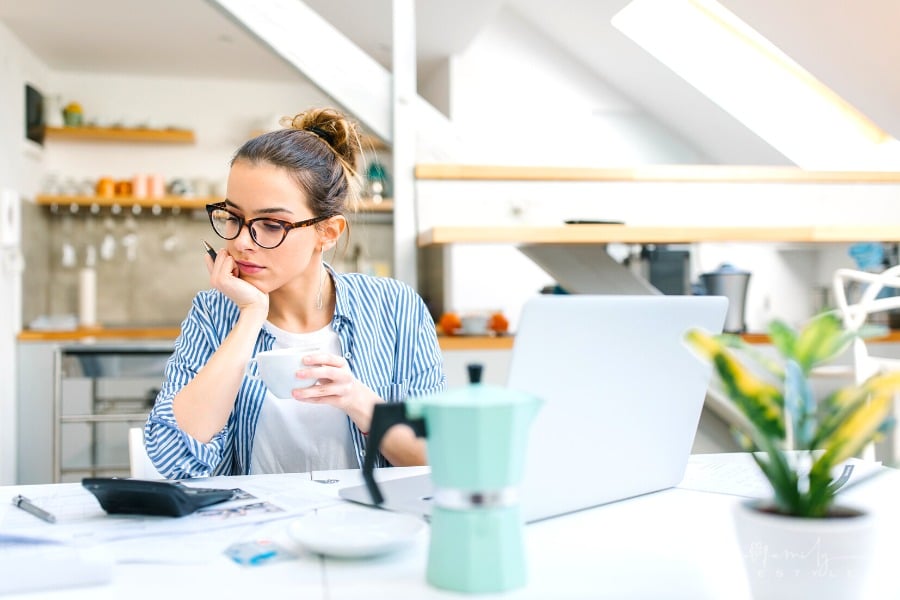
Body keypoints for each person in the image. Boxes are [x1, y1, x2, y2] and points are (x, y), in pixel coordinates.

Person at [145, 107, 446, 479]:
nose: (241, 242)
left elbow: (436, 460)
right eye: (233, 217)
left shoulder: (395, 307)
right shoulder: (214, 312)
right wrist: (251, 316)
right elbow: (173, 460)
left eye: (271, 225)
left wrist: (358, 400)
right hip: (253, 530)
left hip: (367, 527)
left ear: (328, 232)